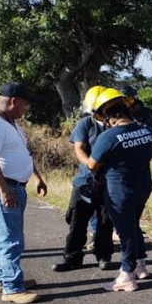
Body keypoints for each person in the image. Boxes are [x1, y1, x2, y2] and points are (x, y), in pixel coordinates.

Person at [87, 88, 152, 292]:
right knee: (134, 224)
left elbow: (92, 165)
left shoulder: (109, 136)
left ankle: (126, 275)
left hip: (119, 190)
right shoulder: (143, 130)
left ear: (108, 117)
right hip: (143, 186)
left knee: (125, 231)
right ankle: (141, 265)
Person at [0, 82, 48, 304]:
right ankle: (11, 288)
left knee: (7, 239)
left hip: (15, 187)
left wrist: (37, 177)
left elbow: (23, 154)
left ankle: (5, 279)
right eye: (25, 104)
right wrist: (3, 189)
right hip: (3, 188)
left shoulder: (10, 123)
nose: (26, 109)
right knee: (11, 240)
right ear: (13, 101)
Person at [52, 86, 116, 272]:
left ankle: (104, 256)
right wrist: (91, 166)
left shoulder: (117, 124)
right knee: (77, 221)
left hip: (109, 183)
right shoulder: (85, 124)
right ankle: (72, 258)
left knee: (105, 222)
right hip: (85, 182)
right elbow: (79, 148)